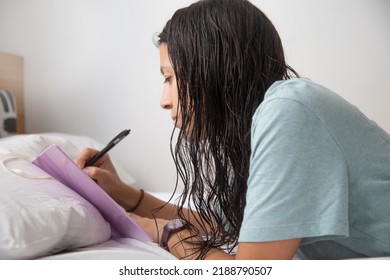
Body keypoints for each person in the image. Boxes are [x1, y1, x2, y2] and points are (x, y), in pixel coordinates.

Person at [75, 0, 390, 260]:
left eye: (169, 78)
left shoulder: (289, 111)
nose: (164, 101)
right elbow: (228, 228)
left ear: (212, 71)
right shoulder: (251, 127)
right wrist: (124, 195)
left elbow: (252, 271)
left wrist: (168, 233)